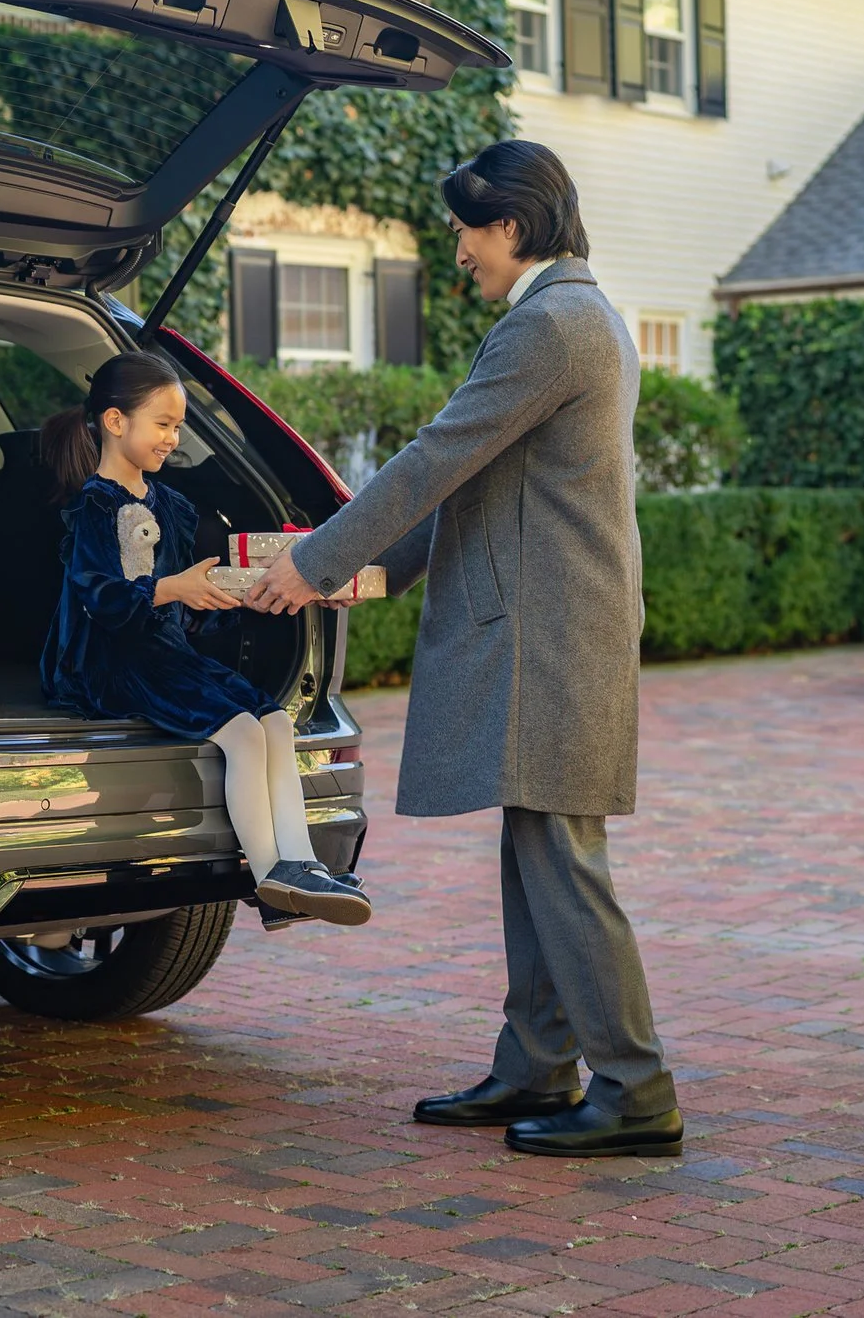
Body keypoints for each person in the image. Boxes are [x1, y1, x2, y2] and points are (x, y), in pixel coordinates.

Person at [244, 139, 680, 1159]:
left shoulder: (550, 325)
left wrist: (314, 560)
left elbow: (433, 457)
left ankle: (636, 1088)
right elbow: (475, 475)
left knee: (562, 860)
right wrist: (368, 570)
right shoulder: (575, 314)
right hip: (555, 627)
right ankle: (536, 1063)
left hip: (550, 634)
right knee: (538, 854)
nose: (457, 252)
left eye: (463, 231)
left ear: (511, 226)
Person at [40, 351, 371, 928]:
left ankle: (301, 866)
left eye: (178, 426)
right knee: (242, 733)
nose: (173, 438)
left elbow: (188, 612)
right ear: (115, 422)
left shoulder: (172, 506)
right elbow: (99, 598)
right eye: (163, 424)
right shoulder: (93, 505)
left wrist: (239, 598)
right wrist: (174, 588)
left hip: (166, 655)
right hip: (109, 663)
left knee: (275, 721)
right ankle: (271, 878)